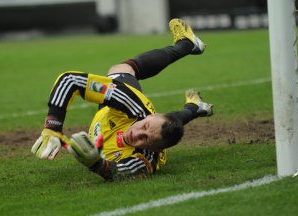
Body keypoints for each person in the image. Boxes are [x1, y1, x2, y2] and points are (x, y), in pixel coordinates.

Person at [31, 18, 213, 181]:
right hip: (122, 110)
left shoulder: (146, 159)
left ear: (155, 150)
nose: (137, 134)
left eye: (145, 140)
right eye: (145, 126)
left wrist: (95, 163)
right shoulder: (129, 104)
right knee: (121, 70)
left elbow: (120, 172)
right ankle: (186, 45)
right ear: (149, 117)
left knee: (169, 127)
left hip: (110, 119)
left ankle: (195, 107)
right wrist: (53, 128)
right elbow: (69, 80)